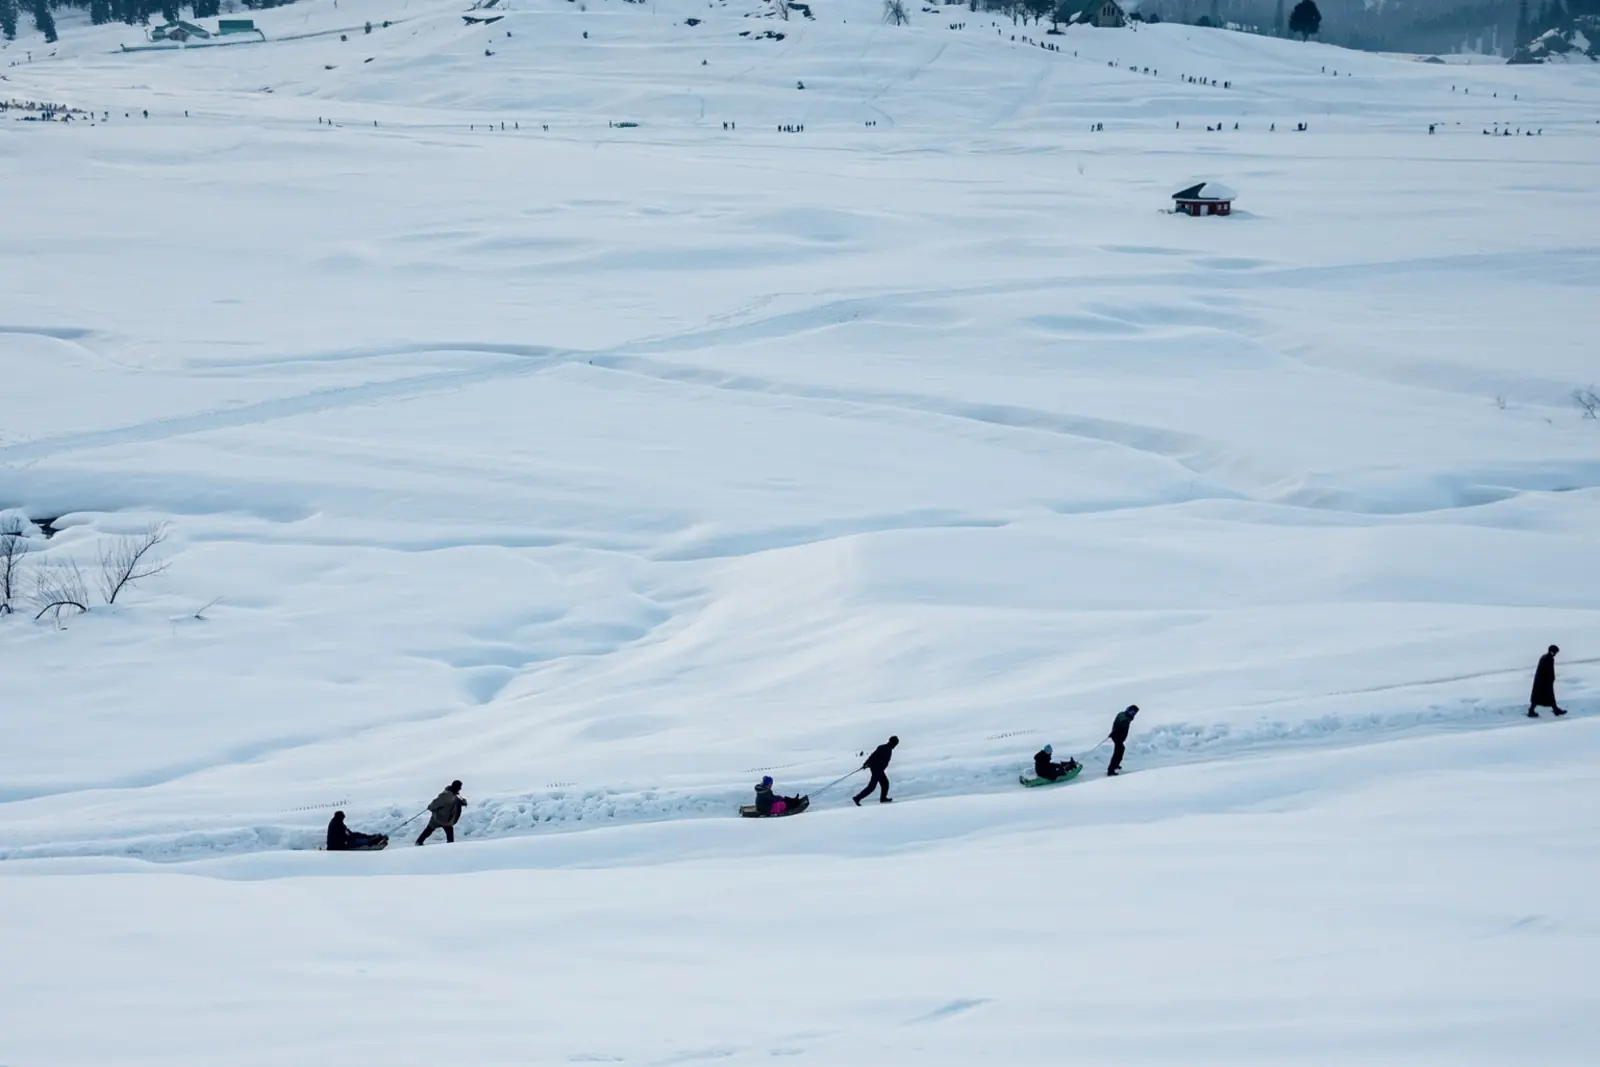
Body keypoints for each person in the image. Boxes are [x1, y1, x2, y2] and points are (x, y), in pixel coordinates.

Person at [416, 780, 467, 845]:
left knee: (429, 830)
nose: (460, 789)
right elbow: (436, 803)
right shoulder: (446, 794)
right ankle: (450, 846)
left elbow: (456, 801)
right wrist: (430, 807)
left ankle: (419, 842)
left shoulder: (453, 794)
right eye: (459, 787)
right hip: (440, 817)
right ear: (456, 787)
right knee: (433, 830)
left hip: (443, 818)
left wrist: (463, 803)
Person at [853, 736, 899, 805]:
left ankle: (883, 798)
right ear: (892, 743)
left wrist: (867, 764)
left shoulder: (887, 748)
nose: (895, 746)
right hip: (877, 770)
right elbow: (873, 757)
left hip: (879, 770)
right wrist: (867, 764)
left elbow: (873, 756)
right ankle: (857, 798)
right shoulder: (883, 748)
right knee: (872, 787)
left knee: (885, 783)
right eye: (895, 744)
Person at [1529, 645, 1566, 718]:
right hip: (1544, 681)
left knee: (1543, 696)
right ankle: (1531, 711)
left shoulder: (1546, 657)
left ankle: (1555, 709)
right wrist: (1550, 679)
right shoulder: (1548, 659)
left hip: (1542, 680)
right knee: (1544, 696)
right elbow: (1547, 670)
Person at [1107, 705, 1139, 776]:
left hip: (1118, 737)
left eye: (1134, 713)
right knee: (1118, 752)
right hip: (1117, 737)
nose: (1133, 714)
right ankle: (1111, 770)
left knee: (1121, 750)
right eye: (1132, 712)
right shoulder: (1125, 718)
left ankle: (1116, 765)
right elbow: (1120, 722)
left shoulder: (1124, 715)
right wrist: (1114, 732)